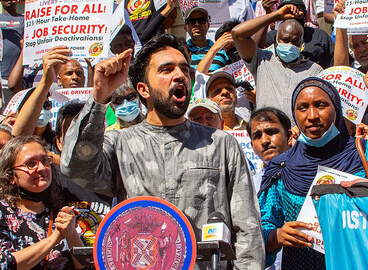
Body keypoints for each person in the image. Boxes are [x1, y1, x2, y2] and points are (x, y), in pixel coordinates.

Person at [60, 34, 265, 269]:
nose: (180, 75)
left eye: (185, 70)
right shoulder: (120, 143)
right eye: (166, 70)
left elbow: (247, 228)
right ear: (143, 89)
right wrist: (99, 97)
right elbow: (75, 168)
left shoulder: (221, 144)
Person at [258, 77, 367, 269]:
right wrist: (277, 236)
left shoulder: (363, 154)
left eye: (321, 105)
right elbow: (262, 228)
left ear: (337, 109)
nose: (312, 115)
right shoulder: (281, 168)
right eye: (302, 108)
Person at [0, 135, 85, 269]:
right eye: (31, 163)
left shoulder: (61, 213)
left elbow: (86, 267)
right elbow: (5, 264)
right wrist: (54, 239)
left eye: (45, 161)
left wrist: (71, 234)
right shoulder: (3, 213)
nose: (41, 168)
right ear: (11, 176)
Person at [232, 5, 323, 123]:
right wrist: (275, 16)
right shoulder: (262, 61)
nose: (289, 44)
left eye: (295, 42)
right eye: (285, 40)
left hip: (298, 136)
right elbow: (238, 33)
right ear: (276, 40)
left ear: (302, 44)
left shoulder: (314, 70)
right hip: (265, 133)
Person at [264, 0, 334, 69]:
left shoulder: (320, 36)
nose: (293, 13)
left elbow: (335, 63)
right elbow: (256, 51)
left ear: (304, 13)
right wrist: (270, 16)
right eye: (287, 11)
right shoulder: (273, 36)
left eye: (297, 9)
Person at [246, 107, 292, 191]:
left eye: (271, 132)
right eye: (257, 136)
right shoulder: (250, 188)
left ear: (288, 136)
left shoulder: (308, 174)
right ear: (252, 147)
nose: (264, 141)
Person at [184, 6, 230, 72]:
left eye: (201, 21)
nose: (197, 24)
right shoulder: (181, 52)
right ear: (185, 27)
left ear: (208, 25)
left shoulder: (222, 51)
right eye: (192, 21)